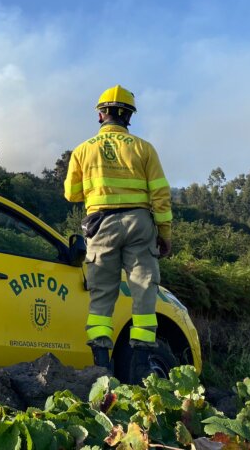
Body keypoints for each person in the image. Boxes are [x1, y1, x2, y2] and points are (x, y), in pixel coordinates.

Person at [64, 85, 172, 383]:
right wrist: (164, 233)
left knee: (101, 296)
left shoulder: (83, 150)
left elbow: (71, 194)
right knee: (143, 291)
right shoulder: (144, 148)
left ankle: (101, 367)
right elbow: (160, 195)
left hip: (101, 225)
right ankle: (139, 367)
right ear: (129, 116)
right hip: (140, 223)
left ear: (101, 115)